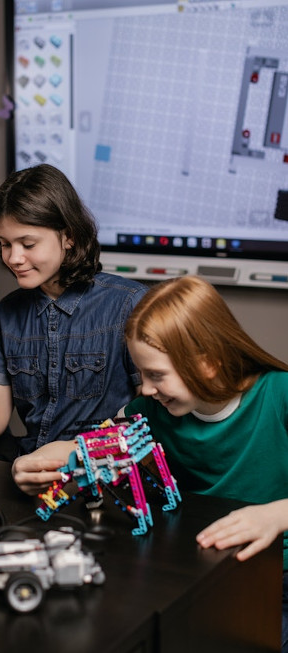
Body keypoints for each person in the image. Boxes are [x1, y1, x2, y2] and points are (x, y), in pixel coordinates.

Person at [119, 275, 288, 652]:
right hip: (203, 576)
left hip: (277, 578)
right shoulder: (151, 408)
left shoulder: (280, 393)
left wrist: (276, 515)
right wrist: (58, 454)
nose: (145, 389)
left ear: (208, 364)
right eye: (142, 375)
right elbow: (108, 440)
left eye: (156, 375)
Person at [0, 164, 148, 488]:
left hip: (108, 480)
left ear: (68, 236)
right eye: (5, 244)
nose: (13, 258)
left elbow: (150, 419)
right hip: (33, 476)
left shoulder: (129, 304)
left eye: (27, 244)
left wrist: (77, 452)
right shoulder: (7, 315)